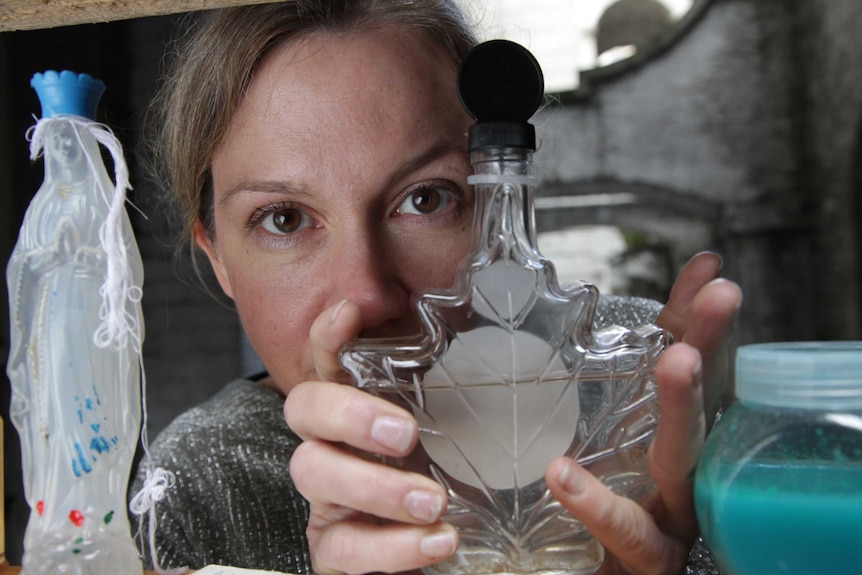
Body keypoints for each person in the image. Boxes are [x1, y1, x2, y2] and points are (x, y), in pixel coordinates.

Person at [132, 1, 743, 574]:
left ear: (501, 203)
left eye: (425, 200)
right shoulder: (196, 490)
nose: (366, 297)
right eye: (284, 220)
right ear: (219, 260)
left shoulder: (650, 394)